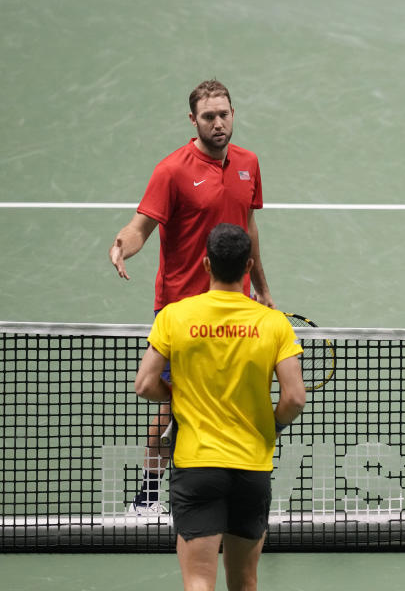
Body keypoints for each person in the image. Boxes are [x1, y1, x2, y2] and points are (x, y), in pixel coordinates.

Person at [109, 79, 275, 514]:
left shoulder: (249, 163)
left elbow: (249, 229)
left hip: (235, 304)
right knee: (171, 407)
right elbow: (142, 225)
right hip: (181, 307)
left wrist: (261, 287)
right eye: (208, 116)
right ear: (193, 120)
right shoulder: (172, 170)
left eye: (224, 114)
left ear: (233, 113)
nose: (218, 123)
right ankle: (146, 498)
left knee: (234, 396)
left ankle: (234, 488)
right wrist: (122, 244)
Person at [134, 223, 305, 591]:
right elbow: (294, 397)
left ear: (206, 265)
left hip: (196, 467)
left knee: (198, 581)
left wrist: (177, 394)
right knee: (244, 583)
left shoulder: (175, 317)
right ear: (249, 267)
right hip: (251, 467)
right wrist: (271, 429)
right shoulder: (274, 324)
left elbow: (145, 384)